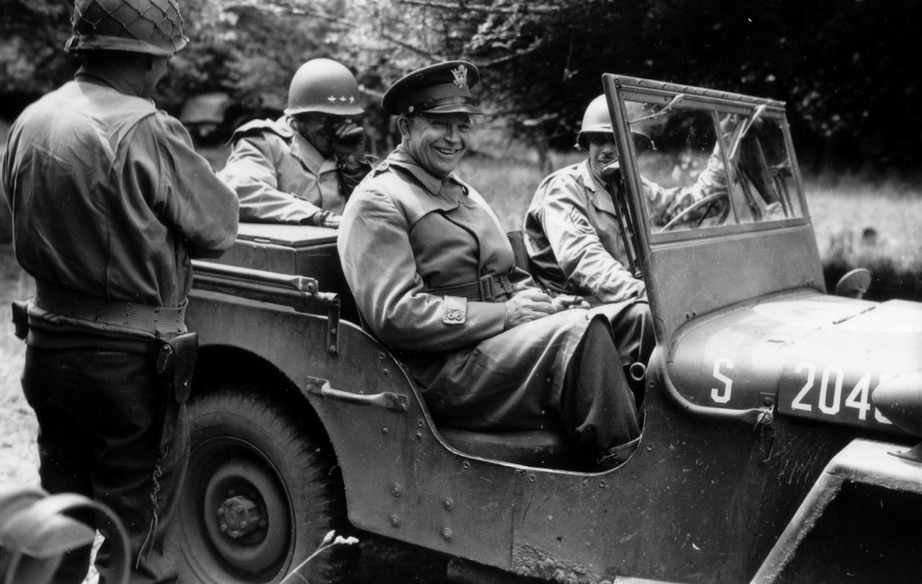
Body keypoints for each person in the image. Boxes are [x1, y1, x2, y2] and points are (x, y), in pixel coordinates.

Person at [1, 0, 239, 584]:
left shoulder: (32, 118)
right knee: (138, 540)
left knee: (64, 516)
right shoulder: (149, 128)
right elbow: (218, 227)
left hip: (47, 346)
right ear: (152, 57)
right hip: (128, 364)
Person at [337, 61, 641, 470]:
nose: (454, 138)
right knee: (584, 335)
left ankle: (659, 440)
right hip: (440, 369)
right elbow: (395, 315)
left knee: (637, 319)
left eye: (463, 125)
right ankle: (624, 469)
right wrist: (504, 314)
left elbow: (505, 274)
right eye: (440, 124)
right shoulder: (380, 199)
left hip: (488, 347)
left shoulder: (462, 191)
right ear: (405, 127)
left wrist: (540, 300)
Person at [524, 94, 722, 307]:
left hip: (621, 301)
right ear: (587, 144)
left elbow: (685, 205)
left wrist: (726, 147)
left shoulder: (631, 185)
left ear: (634, 149)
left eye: (616, 140)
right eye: (599, 140)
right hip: (575, 309)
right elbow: (584, 259)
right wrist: (648, 295)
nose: (607, 150)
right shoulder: (564, 188)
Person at [218, 58, 374, 228]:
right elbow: (239, 190)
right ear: (299, 115)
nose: (333, 128)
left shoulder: (342, 149)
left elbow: (371, 216)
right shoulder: (265, 143)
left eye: (343, 118)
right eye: (325, 118)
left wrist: (354, 168)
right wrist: (317, 217)